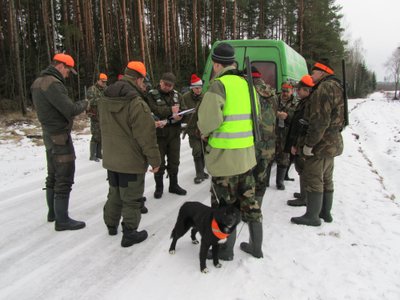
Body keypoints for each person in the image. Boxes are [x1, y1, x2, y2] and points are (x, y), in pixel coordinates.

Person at [197, 42, 262, 260]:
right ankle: (256, 246)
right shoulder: (249, 84)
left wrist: (204, 133)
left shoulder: (218, 86)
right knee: (250, 202)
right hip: (246, 157)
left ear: (216, 65)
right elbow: (257, 119)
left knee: (223, 206)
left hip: (224, 160)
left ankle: (225, 250)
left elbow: (207, 123)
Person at [98, 61, 161, 247]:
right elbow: (146, 136)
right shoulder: (136, 102)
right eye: (144, 81)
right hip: (131, 161)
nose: (145, 85)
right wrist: (155, 161)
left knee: (114, 193)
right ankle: (130, 234)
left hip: (111, 158)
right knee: (132, 199)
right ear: (139, 78)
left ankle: (111, 225)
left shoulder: (105, 97)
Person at [31, 53, 88, 231]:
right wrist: (85, 103)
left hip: (49, 135)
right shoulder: (53, 84)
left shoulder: (38, 82)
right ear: (61, 66)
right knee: (64, 176)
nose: (68, 74)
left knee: (53, 175)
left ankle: (53, 213)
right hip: (60, 137)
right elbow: (70, 109)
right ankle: (62, 220)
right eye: (68, 71)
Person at [291, 59, 345, 226]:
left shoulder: (324, 88)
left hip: (321, 144)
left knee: (314, 178)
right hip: (333, 141)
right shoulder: (337, 86)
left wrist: (309, 144)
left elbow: (319, 121)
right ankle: (325, 213)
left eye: (314, 72)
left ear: (323, 72)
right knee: (327, 178)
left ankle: (312, 216)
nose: (311, 75)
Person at [239, 66, 278, 258]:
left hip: (252, 145)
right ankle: (257, 210)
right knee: (261, 181)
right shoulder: (272, 92)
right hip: (269, 146)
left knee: (247, 182)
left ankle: (248, 213)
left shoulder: (247, 91)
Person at [146, 72, 187, 199]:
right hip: (159, 135)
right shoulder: (151, 95)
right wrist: (171, 111)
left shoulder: (177, 95)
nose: (167, 87)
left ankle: (173, 185)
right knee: (159, 162)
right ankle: (159, 188)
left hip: (174, 134)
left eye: (170, 85)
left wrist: (181, 115)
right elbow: (153, 110)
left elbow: (184, 110)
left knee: (174, 161)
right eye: (165, 84)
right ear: (160, 82)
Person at [284, 75, 315, 207]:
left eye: (299, 90)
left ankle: (305, 197)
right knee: (300, 169)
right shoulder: (304, 102)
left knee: (303, 170)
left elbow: (302, 127)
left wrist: (296, 145)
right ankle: (304, 194)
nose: (297, 92)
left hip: (300, 143)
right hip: (298, 142)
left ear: (306, 91)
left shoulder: (308, 104)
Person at [182, 74, 209, 184]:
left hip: (204, 129)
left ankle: (202, 171)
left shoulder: (205, 97)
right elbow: (182, 112)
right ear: (192, 88)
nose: (199, 90)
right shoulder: (185, 98)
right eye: (196, 88)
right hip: (192, 129)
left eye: (200, 88)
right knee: (197, 151)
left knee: (204, 151)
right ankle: (199, 174)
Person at [274, 82, 298, 190]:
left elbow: (297, 119)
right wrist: (276, 114)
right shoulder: (274, 99)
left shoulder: (296, 103)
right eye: (283, 91)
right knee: (268, 158)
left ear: (292, 91)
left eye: (287, 91)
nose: (284, 93)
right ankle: (264, 182)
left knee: (284, 157)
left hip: (286, 134)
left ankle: (280, 181)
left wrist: (287, 117)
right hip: (272, 133)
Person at [87, 73, 107, 162]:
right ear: (98, 80)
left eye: (105, 82)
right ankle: (92, 155)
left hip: (104, 115)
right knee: (95, 135)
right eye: (102, 82)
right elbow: (90, 101)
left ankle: (99, 153)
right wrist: (101, 100)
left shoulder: (106, 89)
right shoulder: (92, 89)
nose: (104, 83)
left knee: (102, 134)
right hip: (95, 115)